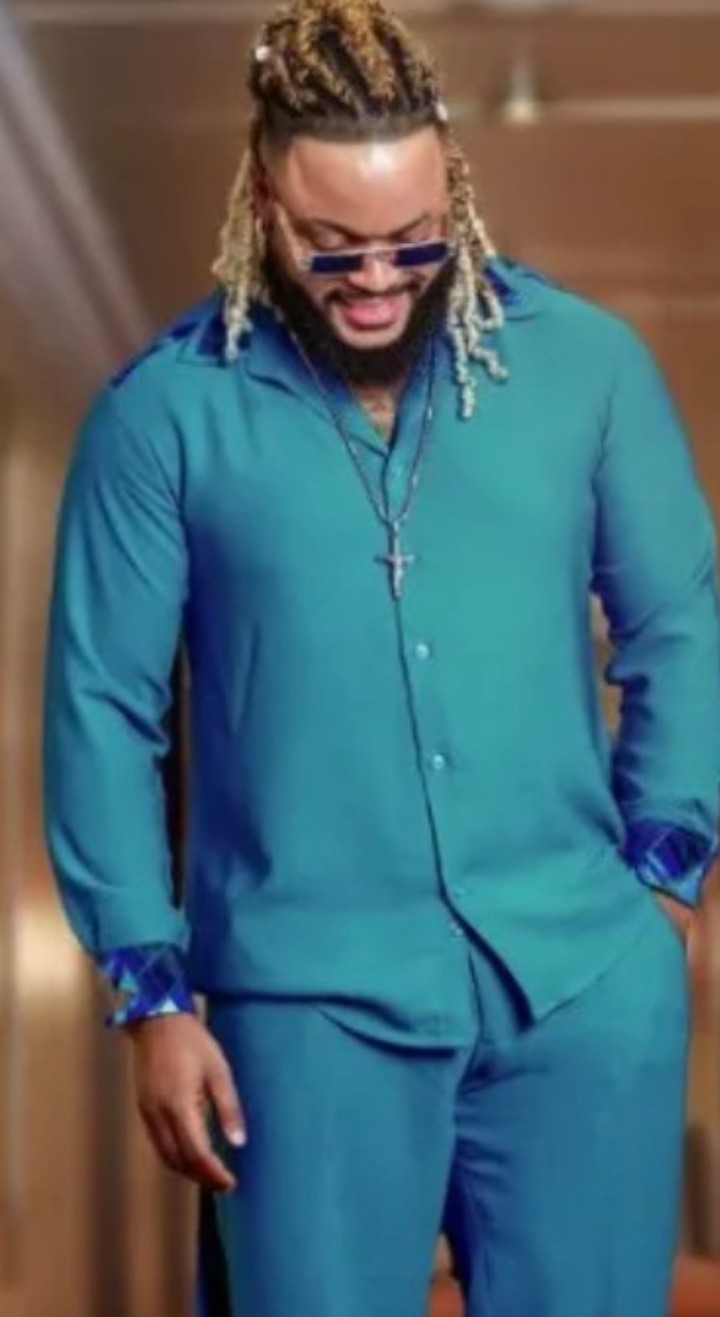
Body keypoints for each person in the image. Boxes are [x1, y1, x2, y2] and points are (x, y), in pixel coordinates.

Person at [42, 2, 720, 1315]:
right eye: (332, 245)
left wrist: (665, 884)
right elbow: (103, 711)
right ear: (261, 198)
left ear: (451, 183)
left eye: (412, 238)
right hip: (300, 1015)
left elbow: (681, 628)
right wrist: (150, 993)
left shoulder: (589, 371)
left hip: (581, 988)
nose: (376, 281)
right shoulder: (162, 417)